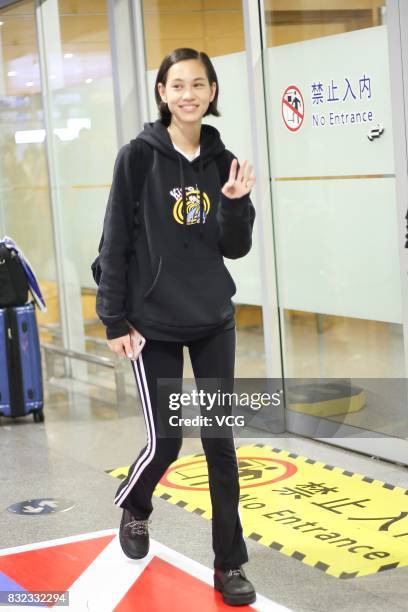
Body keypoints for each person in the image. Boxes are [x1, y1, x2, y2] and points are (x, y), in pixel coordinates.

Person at [95, 47, 256, 606]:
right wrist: (114, 317)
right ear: (162, 92)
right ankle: (136, 505)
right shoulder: (138, 157)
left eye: (199, 84)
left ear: (212, 92)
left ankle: (229, 564)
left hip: (213, 319)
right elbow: (114, 241)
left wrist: (235, 203)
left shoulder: (223, 159)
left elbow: (234, 247)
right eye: (177, 85)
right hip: (153, 322)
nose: (188, 94)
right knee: (167, 439)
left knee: (220, 443)